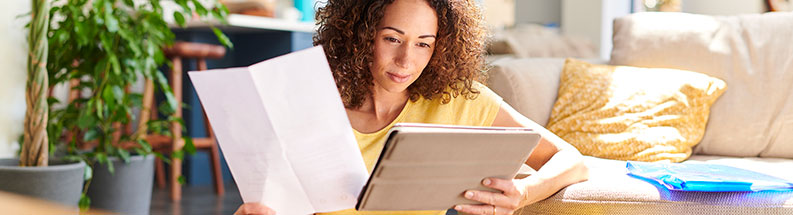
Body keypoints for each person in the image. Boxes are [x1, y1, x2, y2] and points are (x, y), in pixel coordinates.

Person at [235, 0, 589, 214]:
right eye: (392, 38)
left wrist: (524, 193)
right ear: (360, 34)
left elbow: (571, 160)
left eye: (424, 44)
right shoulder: (314, 106)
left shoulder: (459, 100)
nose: (406, 60)